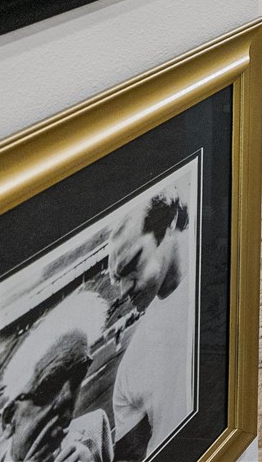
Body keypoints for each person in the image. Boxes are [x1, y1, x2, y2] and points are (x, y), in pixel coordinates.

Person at [106, 190, 196, 461]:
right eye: (118, 278)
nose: (123, 291)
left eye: (133, 264)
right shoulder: (129, 372)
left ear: (169, 226)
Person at [0, 292, 115, 462]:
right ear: (9, 418)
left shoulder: (95, 429)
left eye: (79, 375)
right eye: (50, 384)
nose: (67, 396)